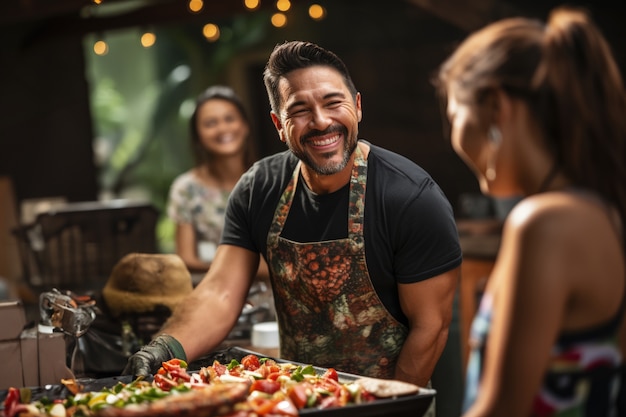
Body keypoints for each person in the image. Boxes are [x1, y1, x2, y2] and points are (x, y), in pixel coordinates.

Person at [125, 40, 462, 389]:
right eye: (300, 110)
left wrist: (390, 407)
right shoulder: (259, 187)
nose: (320, 122)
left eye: (334, 103)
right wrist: (163, 349)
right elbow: (220, 293)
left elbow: (430, 328)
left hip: (387, 400)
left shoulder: (411, 198)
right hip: (295, 401)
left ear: (358, 107)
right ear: (278, 124)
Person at [435, 6, 626, 417]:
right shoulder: (600, 213)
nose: (454, 134)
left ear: (494, 106)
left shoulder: (543, 223)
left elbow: (501, 408)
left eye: (454, 115)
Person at [166, 85, 258, 273]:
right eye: (210, 123)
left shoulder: (271, 181)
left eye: (229, 119)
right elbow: (186, 259)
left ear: (245, 125)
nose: (222, 128)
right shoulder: (186, 188)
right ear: (198, 136)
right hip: (213, 290)